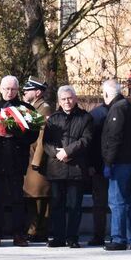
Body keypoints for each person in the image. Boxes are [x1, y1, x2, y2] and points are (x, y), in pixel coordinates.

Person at [0, 76, 38, 247]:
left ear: (18, 90)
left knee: (17, 200)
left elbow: (33, 134)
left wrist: (16, 133)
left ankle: (18, 235)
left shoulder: (26, 108)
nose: (9, 92)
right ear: (0, 89)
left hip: (16, 160)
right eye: (6, 89)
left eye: (13, 89)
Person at [43, 86, 93, 248]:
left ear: (75, 98)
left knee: (74, 205)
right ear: (59, 101)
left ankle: (72, 237)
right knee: (57, 204)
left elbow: (86, 140)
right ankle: (58, 237)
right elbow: (46, 142)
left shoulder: (85, 118)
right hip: (56, 168)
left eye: (70, 98)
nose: (67, 102)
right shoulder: (53, 119)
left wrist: (68, 151)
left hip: (76, 168)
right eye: (63, 99)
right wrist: (57, 153)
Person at [100, 79, 131, 251]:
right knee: (125, 201)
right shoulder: (125, 105)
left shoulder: (117, 108)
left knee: (117, 201)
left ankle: (119, 238)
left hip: (119, 162)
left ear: (107, 94)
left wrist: (108, 162)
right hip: (127, 160)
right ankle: (129, 238)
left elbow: (114, 138)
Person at [22, 77, 54, 242]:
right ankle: (35, 228)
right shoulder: (33, 107)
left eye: (28, 89)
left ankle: (38, 230)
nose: (25, 92)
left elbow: (42, 136)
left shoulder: (44, 109)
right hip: (29, 157)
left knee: (39, 195)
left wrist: (36, 160)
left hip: (36, 159)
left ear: (38, 92)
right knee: (32, 196)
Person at [87, 100, 109, 246]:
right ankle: (118, 235)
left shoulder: (96, 113)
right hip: (105, 164)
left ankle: (98, 235)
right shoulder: (124, 110)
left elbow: (90, 143)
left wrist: (91, 164)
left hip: (99, 165)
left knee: (99, 203)